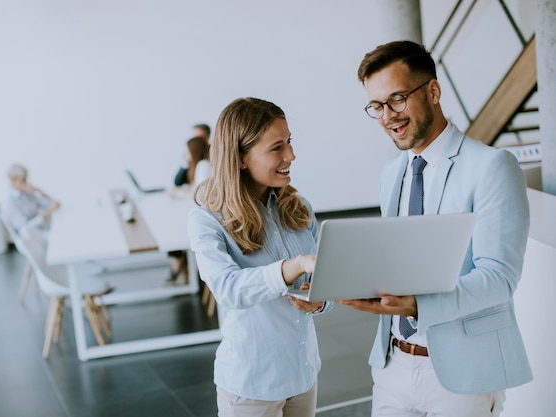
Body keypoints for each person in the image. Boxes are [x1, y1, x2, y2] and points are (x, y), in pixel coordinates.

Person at [338, 40, 532, 417]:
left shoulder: (492, 167)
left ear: (433, 91)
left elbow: (499, 277)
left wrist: (418, 305)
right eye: (377, 106)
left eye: (397, 99)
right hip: (393, 365)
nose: (388, 116)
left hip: (463, 375)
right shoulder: (392, 174)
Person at [187, 97, 331, 417]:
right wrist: (291, 268)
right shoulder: (207, 218)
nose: (291, 155)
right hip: (251, 386)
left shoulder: (299, 207)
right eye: (277, 147)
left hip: (304, 374)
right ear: (240, 159)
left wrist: (320, 301)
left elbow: (327, 279)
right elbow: (228, 289)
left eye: (289, 142)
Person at [166, 136, 211, 285]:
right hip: (197, 211)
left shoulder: (203, 165)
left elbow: (199, 193)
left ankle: (181, 272)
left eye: (187, 152)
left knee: (172, 230)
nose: (185, 155)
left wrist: (178, 193)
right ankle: (180, 270)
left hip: (204, 214)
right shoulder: (198, 166)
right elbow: (182, 183)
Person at [1, 163, 60, 236]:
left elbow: (53, 204)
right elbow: (25, 228)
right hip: (32, 238)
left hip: (42, 231)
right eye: (23, 179)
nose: (26, 182)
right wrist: (45, 215)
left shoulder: (28, 193)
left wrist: (39, 191)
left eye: (26, 179)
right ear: (12, 179)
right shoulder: (9, 203)